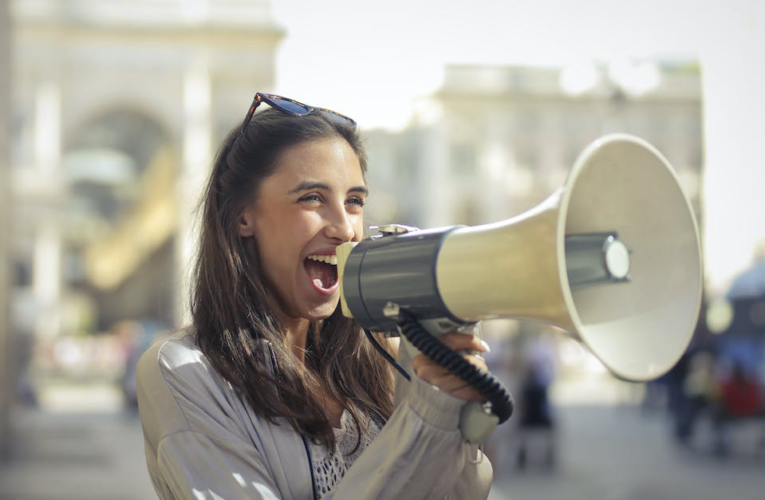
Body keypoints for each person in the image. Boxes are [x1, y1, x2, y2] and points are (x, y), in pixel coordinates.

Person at [136, 93, 493, 499]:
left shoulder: (385, 356)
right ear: (243, 216)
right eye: (312, 198)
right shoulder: (185, 370)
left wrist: (451, 411)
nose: (345, 228)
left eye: (354, 201)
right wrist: (424, 419)